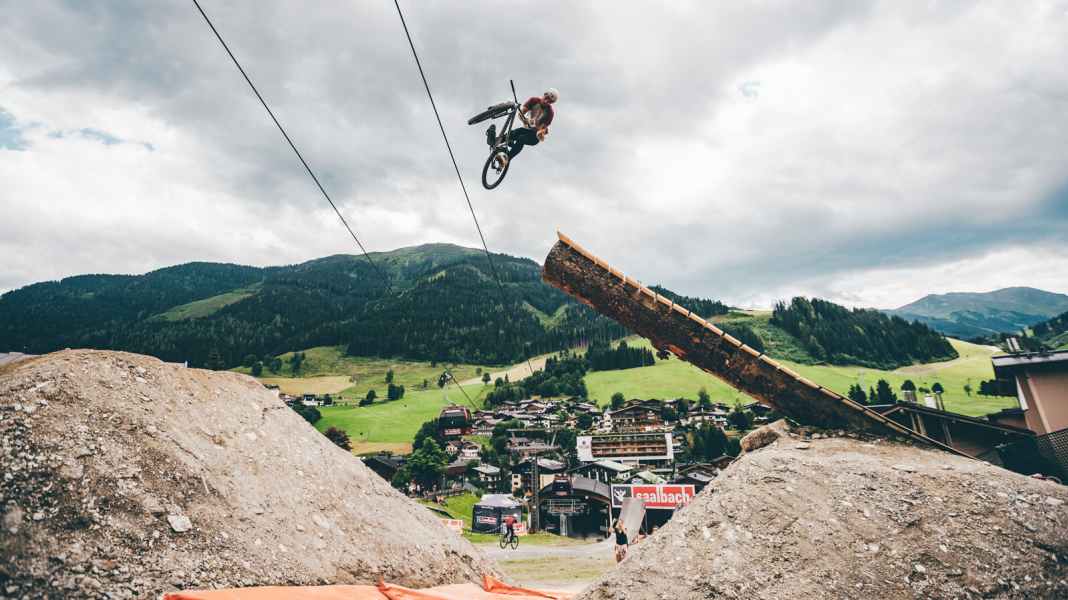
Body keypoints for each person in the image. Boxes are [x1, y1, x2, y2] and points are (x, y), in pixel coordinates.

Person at [497, 88, 559, 168]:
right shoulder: (533, 100)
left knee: (521, 138)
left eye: (550, 101)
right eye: (546, 98)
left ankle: (506, 159)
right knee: (515, 133)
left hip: (535, 137)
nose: (546, 101)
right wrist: (525, 120)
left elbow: (542, 129)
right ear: (544, 94)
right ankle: (497, 141)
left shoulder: (550, 113)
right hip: (527, 129)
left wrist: (541, 132)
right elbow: (521, 113)